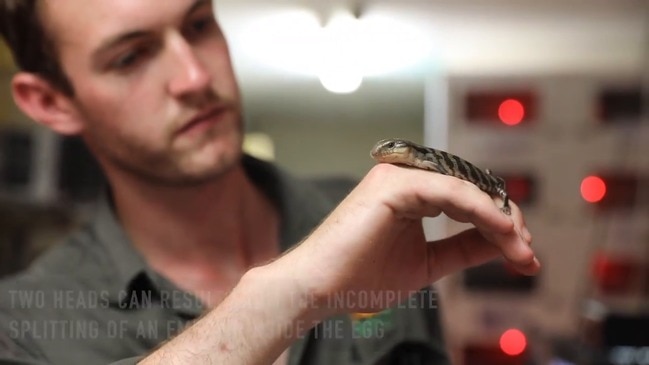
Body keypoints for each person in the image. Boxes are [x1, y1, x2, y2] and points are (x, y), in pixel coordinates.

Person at [0, 0, 540, 364]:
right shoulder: (23, 323)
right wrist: (285, 298)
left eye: (198, 24)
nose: (195, 76)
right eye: (130, 56)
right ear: (51, 102)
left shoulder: (376, 215)